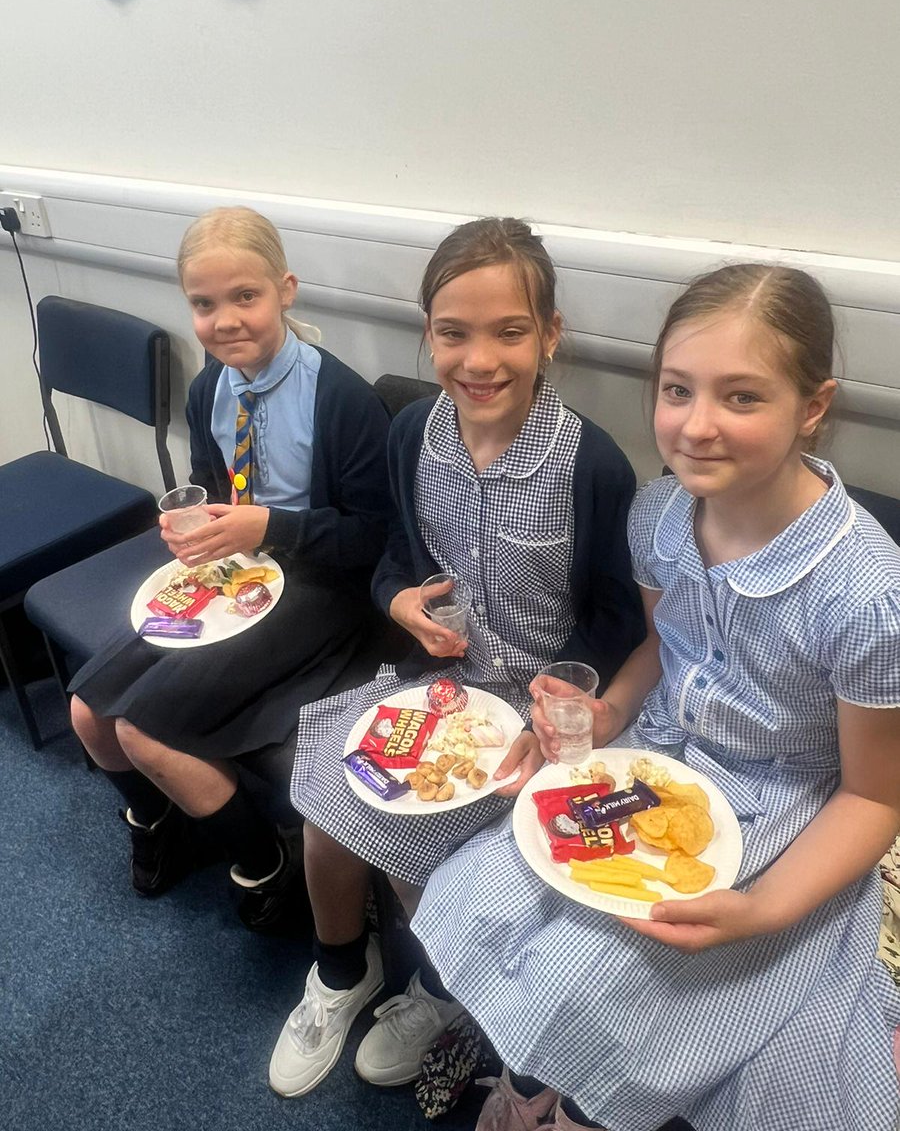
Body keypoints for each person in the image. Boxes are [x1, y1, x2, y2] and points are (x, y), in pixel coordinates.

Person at [412, 263, 900, 1131]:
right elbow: (660, 649)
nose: (697, 426)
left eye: (742, 398)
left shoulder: (864, 596)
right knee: (484, 890)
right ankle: (530, 1074)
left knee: (604, 977)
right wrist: (608, 712)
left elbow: (873, 795)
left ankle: (576, 1106)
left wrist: (764, 908)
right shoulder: (661, 514)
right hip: (662, 759)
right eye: (678, 390)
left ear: (813, 407)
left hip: (784, 806)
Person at [267, 216, 646, 1099]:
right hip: (442, 687)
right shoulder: (413, 437)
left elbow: (617, 618)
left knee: (412, 843)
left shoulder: (592, 464)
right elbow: (400, 560)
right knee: (329, 792)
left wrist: (567, 698)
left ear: (550, 336)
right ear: (427, 333)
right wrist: (398, 600)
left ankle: (440, 991)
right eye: (453, 333)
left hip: (538, 715)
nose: (479, 359)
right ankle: (339, 970)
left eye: (510, 332)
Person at [69, 206, 392, 935]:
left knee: (146, 733)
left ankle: (263, 865)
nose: (224, 320)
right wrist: (201, 525)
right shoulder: (209, 389)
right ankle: (156, 819)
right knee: (87, 711)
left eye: (245, 296)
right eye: (204, 304)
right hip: (242, 574)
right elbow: (212, 484)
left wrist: (269, 526)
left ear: (286, 290)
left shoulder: (341, 399)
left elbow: (376, 539)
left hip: (323, 591)